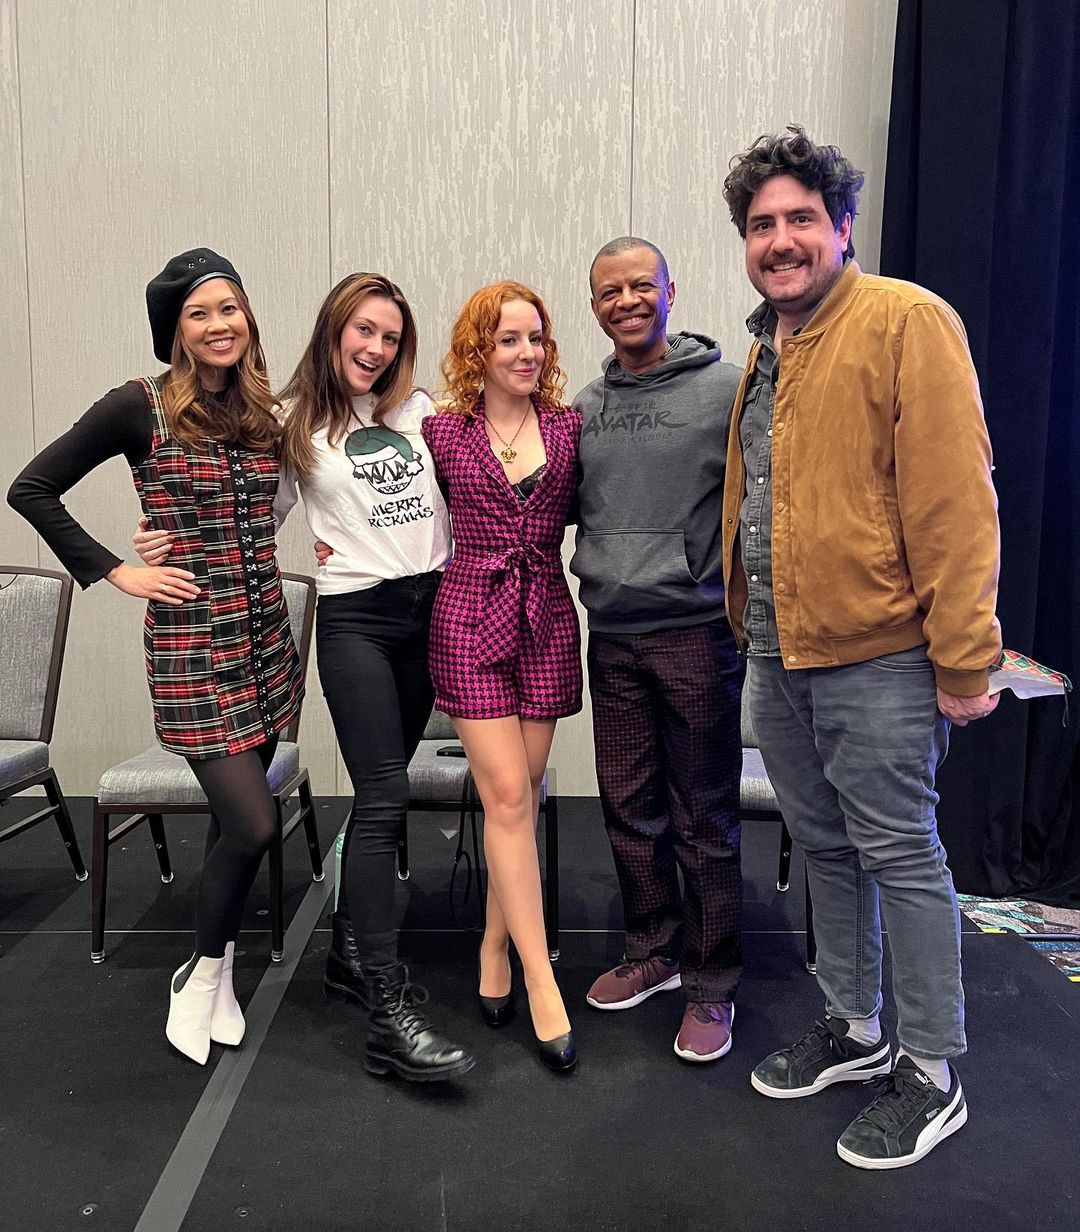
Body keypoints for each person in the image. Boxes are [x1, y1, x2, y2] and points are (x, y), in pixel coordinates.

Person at [720, 125, 1001, 1169]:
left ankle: (931, 1070)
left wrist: (964, 656)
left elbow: (955, 502)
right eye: (762, 225)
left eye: (801, 218)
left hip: (879, 653)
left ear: (843, 225)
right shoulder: (769, 347)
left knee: (902, 855)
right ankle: (856, 1024)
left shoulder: (905, 321)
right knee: (826, 848)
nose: (781, 239)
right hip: (779, 652)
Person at [136, 272, 474, 1083]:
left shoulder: (422, 413)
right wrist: (158, 543)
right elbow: (244, 515)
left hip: (427, 616)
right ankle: (387, 1011)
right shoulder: (291, 426)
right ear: (332, 332)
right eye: (363, 330)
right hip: (357, 621)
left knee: (383, 794)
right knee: (386, 795)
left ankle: (350, 953)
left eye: (390, 336)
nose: (376, 348)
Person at [8, 248, 305, 1066]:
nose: (219, 325)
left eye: (230, 308)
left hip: (266, 643)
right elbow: (31, 488)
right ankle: (198, 974)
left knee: (232, 826)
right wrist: (119, 568)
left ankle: (220, 973)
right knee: (254, 821)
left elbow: (269, 512)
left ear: (248, 317)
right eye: (199, 314)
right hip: (193, 647)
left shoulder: (262, 411)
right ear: (175, 329)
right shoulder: (138, 405)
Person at [570, 237, 745, 1064]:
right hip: (612, 634)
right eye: (611, 291)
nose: (628, 301)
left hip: (696, 634)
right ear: (595, 306)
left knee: (703, 816)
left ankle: (712, 983)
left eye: (642, 285)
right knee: (628, 807)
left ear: (671, 291)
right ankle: (654, 950)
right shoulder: (584, 406)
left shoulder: (725, 390)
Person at [421, 281, 582, 1072]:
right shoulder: (438, 430)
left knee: (520, 799)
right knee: (510, 796)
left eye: (536, 338)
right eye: (508, 339)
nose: (526, 353)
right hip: (468, 618)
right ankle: (541, 979)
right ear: (477, 350)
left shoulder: (570, 425)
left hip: (546, 617)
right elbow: (372, 497)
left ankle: (492, 944)